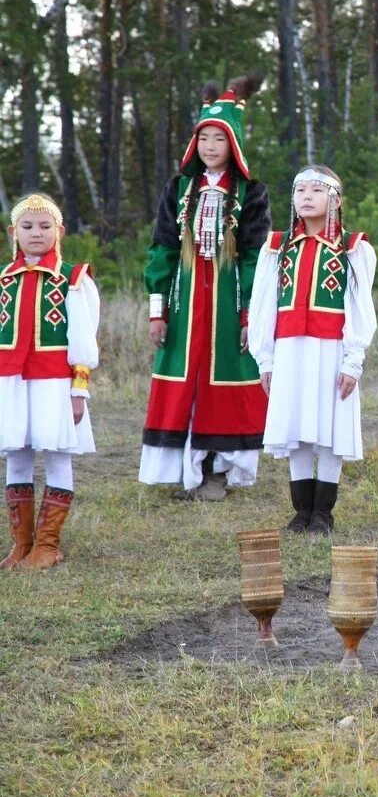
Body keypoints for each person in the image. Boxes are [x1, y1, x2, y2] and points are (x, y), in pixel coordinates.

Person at [139, 75, 271, 500]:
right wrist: (158, 310)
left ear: (234, 145)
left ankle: (217, 470)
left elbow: (255, 256)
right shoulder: (179, 189)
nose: (211, 147)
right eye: (204, 138)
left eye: (219, 138)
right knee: (185, 380)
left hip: (228, 303)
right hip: (185, 301)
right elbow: (162, 248)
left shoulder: (251, 192)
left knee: (225, 380)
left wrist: (251, 312)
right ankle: (184, 470)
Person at [250, 166, 377, 536]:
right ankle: (301, 509)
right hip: (289, 348)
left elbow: (359, 307)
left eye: (316, 190)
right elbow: (262, 305)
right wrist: (266, 358)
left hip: (333, 348)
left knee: (330, 424)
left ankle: (324, 511)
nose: (306, 196)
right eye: (300, 190)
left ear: (335, 199)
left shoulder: (354, 248)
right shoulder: (276, 247)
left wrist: (353, 361)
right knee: (297, 424)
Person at [0, 194, 98, 570]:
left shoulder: (73, 280)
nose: (36, 234)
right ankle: (20, 544)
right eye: (27, 227)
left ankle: (47, 546)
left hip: (54, 382)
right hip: (12, 383)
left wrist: (79, 389)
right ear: (14, 232)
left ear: (60, 231)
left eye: (45, 227)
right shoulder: (3, 280)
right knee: (17, 456)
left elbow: (84, 338)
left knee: (57, 456)